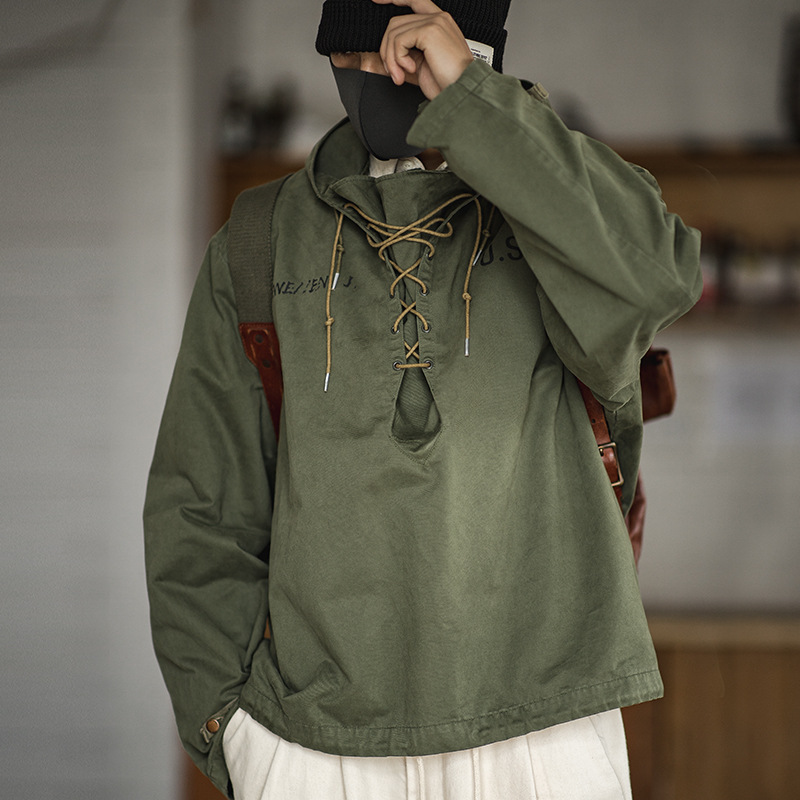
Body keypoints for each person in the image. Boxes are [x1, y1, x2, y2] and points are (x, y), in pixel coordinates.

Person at [144, 1, 703, 798]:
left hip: (545, 729)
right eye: (358, 50)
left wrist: (474, 101)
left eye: (409, 46)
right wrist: (229, 729)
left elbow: (660, 276)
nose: (383, 69)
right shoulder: (260, 238)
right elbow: (201, 507)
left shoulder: (565, 211)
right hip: (315, 745)